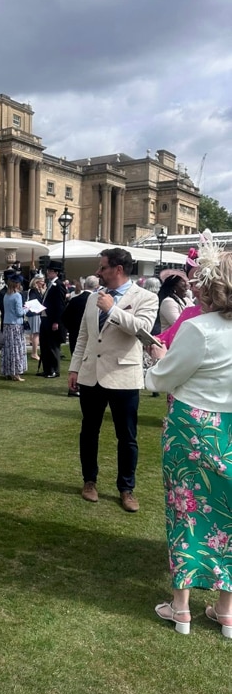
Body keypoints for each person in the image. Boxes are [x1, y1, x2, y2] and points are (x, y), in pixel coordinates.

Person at [146, 249, 232, 638]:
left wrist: (158, 356)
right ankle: (226, 611)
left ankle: (181, 609)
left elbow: (162, 378)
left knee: (186, 510)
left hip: (194, 428)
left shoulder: (200, 329)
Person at [68, 248, 158, 512]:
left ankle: (126, 489)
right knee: (89, 431)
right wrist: (74, 369)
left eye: (103, 267)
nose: (99, 272)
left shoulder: (147, 297)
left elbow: (142, 330)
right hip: (91, 374)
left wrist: (113, 309)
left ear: (118, 269)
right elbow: (83, 336)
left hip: (124, 376)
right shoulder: (93, 298)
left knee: (127, 437)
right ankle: (89, 481)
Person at [61, 275, 99, 396]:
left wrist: (71, 328)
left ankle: (76, 387)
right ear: (97, 286)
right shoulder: (96, 301)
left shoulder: (75, 299)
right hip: (90, 335)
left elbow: (64, 317)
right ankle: (79, 387)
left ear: (84, 285)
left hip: (75, 334)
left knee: (76, 360)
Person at [39, 261, 66, 378]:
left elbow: (59, 305)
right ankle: (47, 369)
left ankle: (54, 370)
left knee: (52, 346)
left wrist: (56, 321)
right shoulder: (50, 284)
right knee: (44, 345)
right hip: (45, 318)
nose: (48, 273)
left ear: (56, 273)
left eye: (50, 271)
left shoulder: (58, 285)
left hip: (52, 320)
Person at [1, 275, 27, 382]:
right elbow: (19, 312)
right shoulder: (17, 296)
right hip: (15, 325)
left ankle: (8, 371)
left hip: (7, 325)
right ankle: (16, 373)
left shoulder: (6, 295)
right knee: (16, 349)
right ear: (17, 284)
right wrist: (27, 309)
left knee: (8, 349)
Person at [25, 275, 46, 361]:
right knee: (36, 333)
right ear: (37, 282)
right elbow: (33, 302)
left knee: (35, 334)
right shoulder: (33, 291)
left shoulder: (37, 290)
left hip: (37, 313)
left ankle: (35, 352)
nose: (43, 283)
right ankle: (34, 353)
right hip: (35, 313)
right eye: (42, 281)